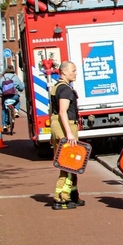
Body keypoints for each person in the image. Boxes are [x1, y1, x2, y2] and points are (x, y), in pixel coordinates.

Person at [49, 61, 84, 210]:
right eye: (73, 70)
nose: (75, 73)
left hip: (61, 127)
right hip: (66, 127)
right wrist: (69, 134)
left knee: (71, 164)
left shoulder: (57, 87)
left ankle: (72, 195)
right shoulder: (64, 90)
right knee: (67, 164)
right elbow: (63, 112)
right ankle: (61, 198)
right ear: (64, 72)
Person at [0, 67, 24, 133]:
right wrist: (19, 89)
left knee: (4, 109)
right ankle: (16, 110)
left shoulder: (2, 77)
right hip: (14, 95)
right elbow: (21, 87)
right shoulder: (15, 77)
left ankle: (4, 125)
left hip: (5, 96)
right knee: (17, 101)